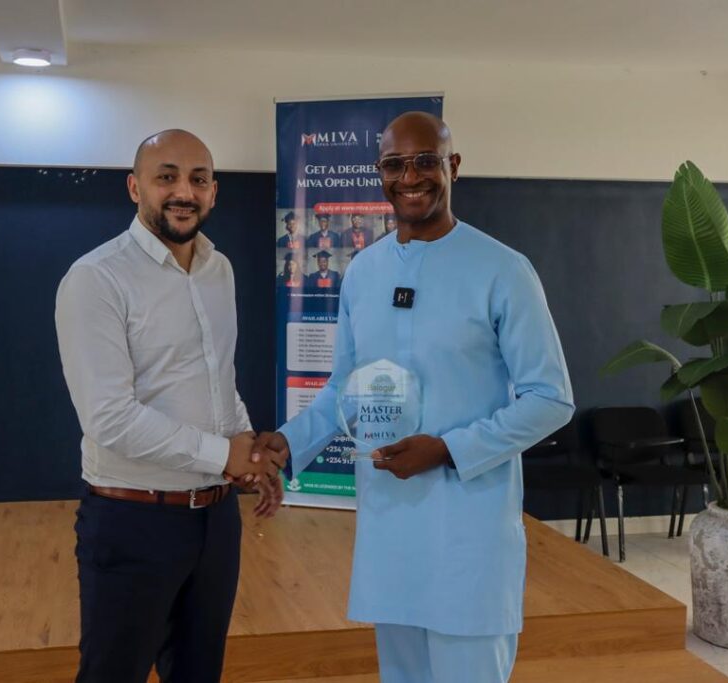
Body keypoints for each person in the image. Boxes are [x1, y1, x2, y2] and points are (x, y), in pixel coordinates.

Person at [252, 113, 573, 683]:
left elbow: (550, 397)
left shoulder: (502, 270)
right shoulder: (364, 272)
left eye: (426, 160)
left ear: (452, 167)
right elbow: (343, 391)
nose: (410, 176)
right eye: (395, 164)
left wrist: (448, 449)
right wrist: (285, 443)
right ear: (380, 174)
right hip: (391, 526)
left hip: (468, 526)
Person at [55, 129, 286, 683]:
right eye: (167, 177)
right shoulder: (96, 278)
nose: (184, 190)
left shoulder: (218, 269)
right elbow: (109, 417)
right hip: (133, 521)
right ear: (135, 187)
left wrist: (248, 453)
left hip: (214, 522)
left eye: (198, 179)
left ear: (214, 192)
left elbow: (217, 380)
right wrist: (222, 455)